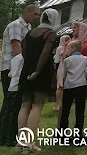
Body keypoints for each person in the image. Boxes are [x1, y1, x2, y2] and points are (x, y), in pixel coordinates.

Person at [17, 9, 58, 152]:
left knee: (24, 106)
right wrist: (37, 71)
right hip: (41, 71)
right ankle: (29, 143)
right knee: (36, 106)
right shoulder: (50, 34)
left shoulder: (30, 32)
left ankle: (21, 141)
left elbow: (23, 50)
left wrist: (29, 67)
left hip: (26, 68)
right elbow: (46, 52)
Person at [0, 5, 39, 122]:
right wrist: (24, 64)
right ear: (27, 12)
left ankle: (9, 129)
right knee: (10, 100)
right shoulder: (16, 25)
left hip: (19, 67)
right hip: (11, 67)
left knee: (16, 100)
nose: (37, 17)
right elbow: (16, 46)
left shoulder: (28, 27)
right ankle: (4, 131)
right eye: (35, 14)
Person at [60, 40, 87, 132]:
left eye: (68, 48)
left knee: (66, 109)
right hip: (81, 85)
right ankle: (78, 133)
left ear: (73, 49)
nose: (67, 51)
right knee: (80, 110)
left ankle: (63, 132)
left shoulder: (67, 60)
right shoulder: (85, 59)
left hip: (69, 86)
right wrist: (83, 76)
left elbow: (64, 73)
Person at [65, 22, 87, 100]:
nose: (73, 30)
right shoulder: (70, 42)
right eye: (72, 28)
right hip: (70, 72)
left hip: (83, 72)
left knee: (81, 97)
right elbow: (64, 56)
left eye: (75, 27)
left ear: (82, 29)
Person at [0, 53, 24, 147]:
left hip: (11, 87)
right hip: (17, 87)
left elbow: (10, 74)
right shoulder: (23, 58)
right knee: (14, 113)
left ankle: (2, 138)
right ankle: (11, 138)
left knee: (7, 112)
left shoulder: (15, 58)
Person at [54, 35, 70, 111]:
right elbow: (64, 57)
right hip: (62, 67)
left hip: (66, 66)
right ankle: (58, 104)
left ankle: (62, 103)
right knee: (60, 86)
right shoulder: (61, 48)